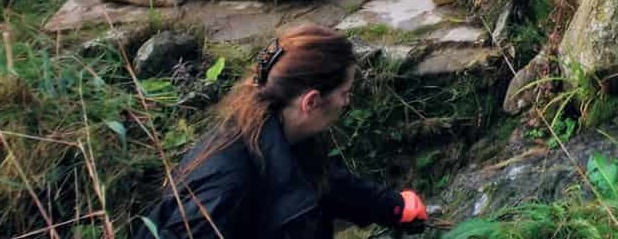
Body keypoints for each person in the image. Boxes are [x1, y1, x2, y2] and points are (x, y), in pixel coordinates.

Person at [135, 25, 430, 238]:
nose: (347, 101)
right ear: (311, 101)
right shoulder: (228, 186)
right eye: (344, 92)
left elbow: (323, 184)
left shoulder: (278, 132)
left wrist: (391, 206)